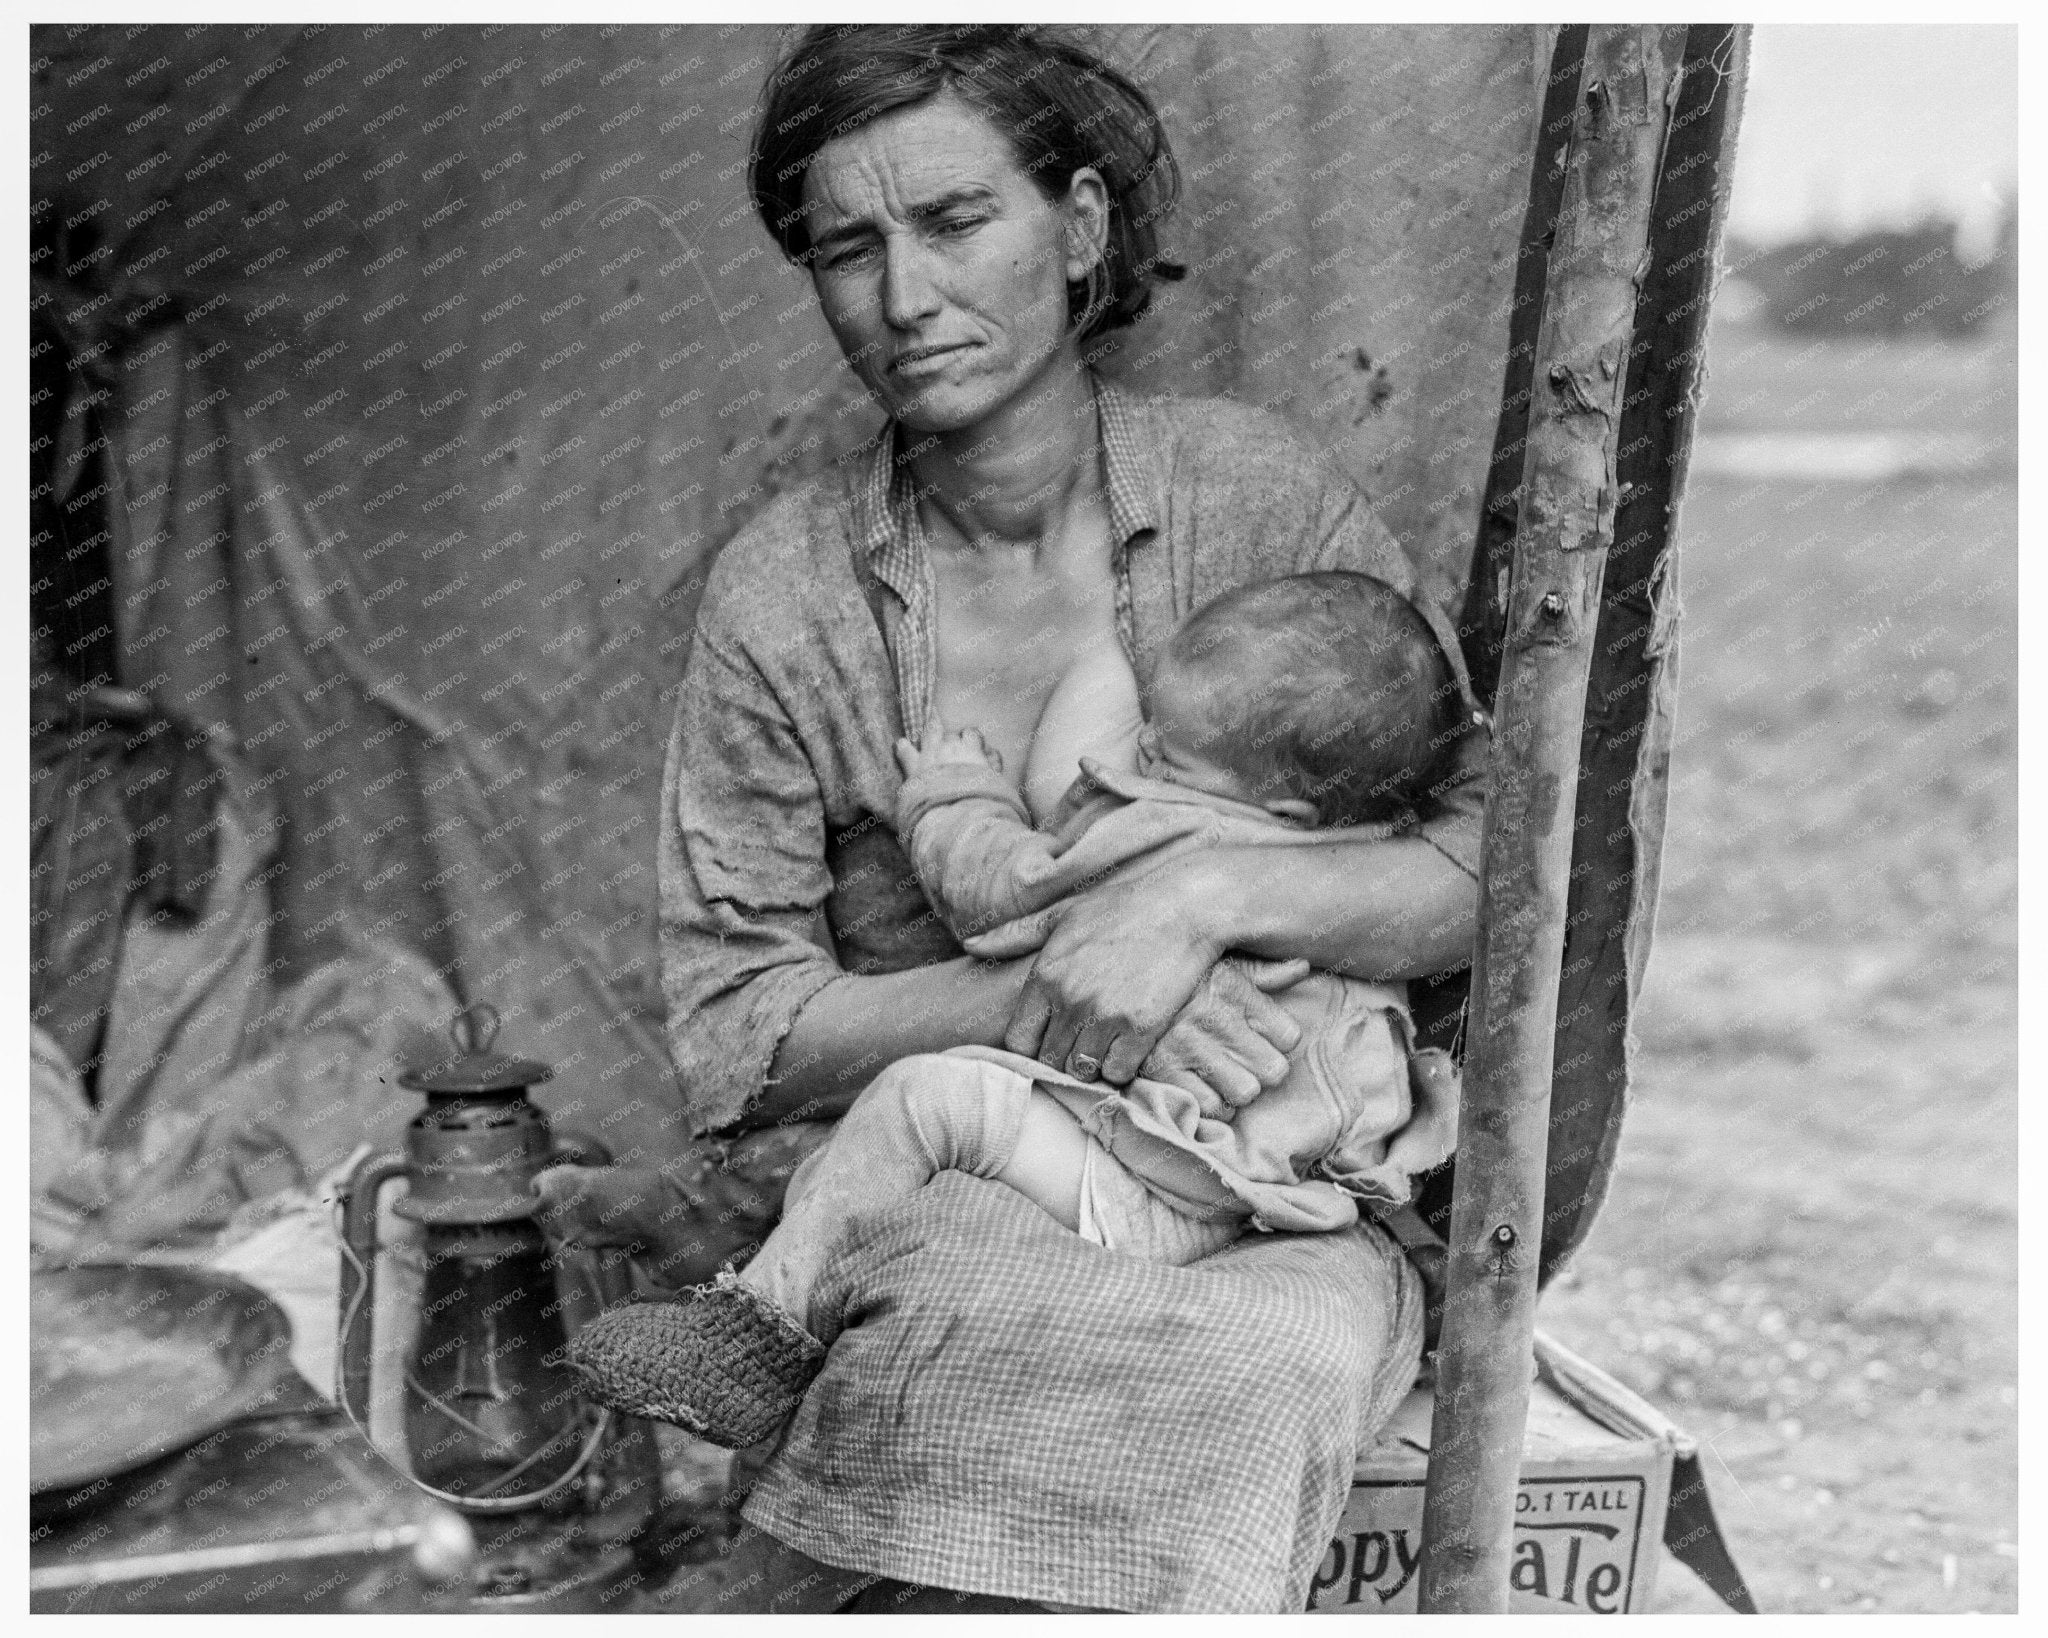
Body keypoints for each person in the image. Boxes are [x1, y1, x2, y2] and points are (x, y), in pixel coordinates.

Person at [534, 24, 1490, 1613]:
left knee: (1259, 1364)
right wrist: (1059, 990)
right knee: (962, 1343)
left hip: (1280, 1193)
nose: (906, 295)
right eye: (849, 248)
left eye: (955, 219)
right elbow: (737, 1034)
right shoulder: (787, 591)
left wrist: (1190, 908)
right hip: (970, 1175)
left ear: (1082, 225)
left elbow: (1483, 869)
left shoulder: (1261, 499)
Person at [566, 571, 1466, 1446]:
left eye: (1166, 754)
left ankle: (755, 1338)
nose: (1141, 754)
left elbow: (1001, 892)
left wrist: (956, 792)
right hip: (1273, 1182)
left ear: (1285, 807)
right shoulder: (1370, 859)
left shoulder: (1179, 834)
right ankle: (722, 1231)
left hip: (1169, 1190)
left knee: (923, 1102)